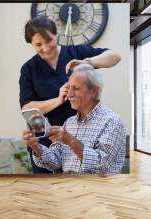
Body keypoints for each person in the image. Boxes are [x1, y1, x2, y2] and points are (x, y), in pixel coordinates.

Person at [19, 16, 121, 174]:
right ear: (31, 44)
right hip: (46, 138)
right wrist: (58, 100)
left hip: (78, 135)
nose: (45, 48)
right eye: (38, 44)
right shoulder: (29, 69)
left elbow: (115, 56)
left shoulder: (76, 52)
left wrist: (89, 62)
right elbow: (27, 108)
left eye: (49, 41)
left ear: (56, 35)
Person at [22, 64, 127, 175]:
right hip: (68, 186)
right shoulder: (69, 123)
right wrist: (36, 146)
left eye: (76, 88)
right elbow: (55, 162)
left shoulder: (112, 121)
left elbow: (105, 166)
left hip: (98, 188)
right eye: (69, 88)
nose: (69, 94)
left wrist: (71, 140)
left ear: (94, 91)